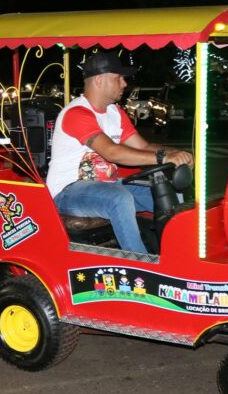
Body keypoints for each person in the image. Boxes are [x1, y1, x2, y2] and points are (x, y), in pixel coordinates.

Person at [45, 51, 193, 255]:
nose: (124, 84)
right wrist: (163, 157)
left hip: (106, 185)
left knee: (167, 192)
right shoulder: (77, 114)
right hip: (68, 192)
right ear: (99, 80)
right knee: (118, 198)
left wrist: (178, 153)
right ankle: (138, 261)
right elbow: (111, 152)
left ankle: (179, 253)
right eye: (118, 78)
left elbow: (142, 146)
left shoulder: (115, 112)